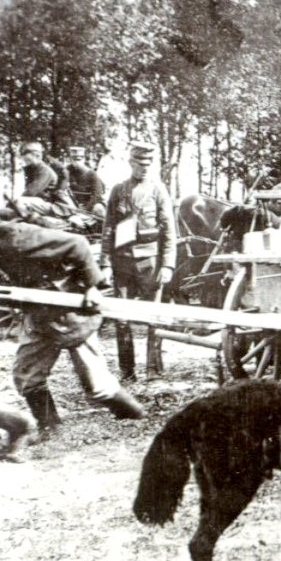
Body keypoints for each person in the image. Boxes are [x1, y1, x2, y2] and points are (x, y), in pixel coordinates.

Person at [0, 219, 145, 432]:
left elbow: (77, 243)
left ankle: (133, 414)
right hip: (38, 315)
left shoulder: (14, 236)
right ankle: (50, 429)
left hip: (70, 312)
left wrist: (91, 286)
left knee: (98, 386)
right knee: (27, 378)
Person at [101, 141, 177, 381]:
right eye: (139, 163)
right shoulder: (118, 191)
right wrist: (105, 264)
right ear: (131, 163)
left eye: (148, 164)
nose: (144, 168)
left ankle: (153, 369)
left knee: (153, 317)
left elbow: (169, 231)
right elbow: (108, 229)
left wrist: (167, 265)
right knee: (121, 319)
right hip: (122, 262)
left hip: (150, 263)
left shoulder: (158, 190)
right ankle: (127, 371)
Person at [0, 142, 72, 221]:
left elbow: (31, 192)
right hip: (41, 203)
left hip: (53, 206)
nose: (23, 158)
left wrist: (12, 204)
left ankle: (27, 221)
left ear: (36, 155)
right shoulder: (34, 169)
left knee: (20, 201)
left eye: (25, 155)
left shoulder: (44, 170)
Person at [0, 393, 36, 462]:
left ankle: (11, 453)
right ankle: (11, 454)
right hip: (0, 413)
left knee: (21, 428)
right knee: (24, 427)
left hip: (5, 414)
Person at [65, 146, 107, 218]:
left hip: (90, 204)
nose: (75, 163)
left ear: (83, 159)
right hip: (74, 204)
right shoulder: (68, 170)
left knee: (98, 209)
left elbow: (96, 195)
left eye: (79, 160)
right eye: (73, 160)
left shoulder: (91, 174)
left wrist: (86, 208)